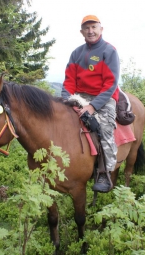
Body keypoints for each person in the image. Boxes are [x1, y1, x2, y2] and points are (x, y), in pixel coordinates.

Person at [61, 15, 120, 193]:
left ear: (101, 29)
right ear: (82, 32)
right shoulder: (76, 53)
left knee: (103, 128)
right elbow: (69, 81)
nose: (90, 31)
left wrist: (93, 106)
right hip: (79, 96)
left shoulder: (109, 51)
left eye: (94, 27)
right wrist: (66, 100)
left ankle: (104, 172)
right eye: (86, 28)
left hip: (103, 97)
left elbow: (110, 83)